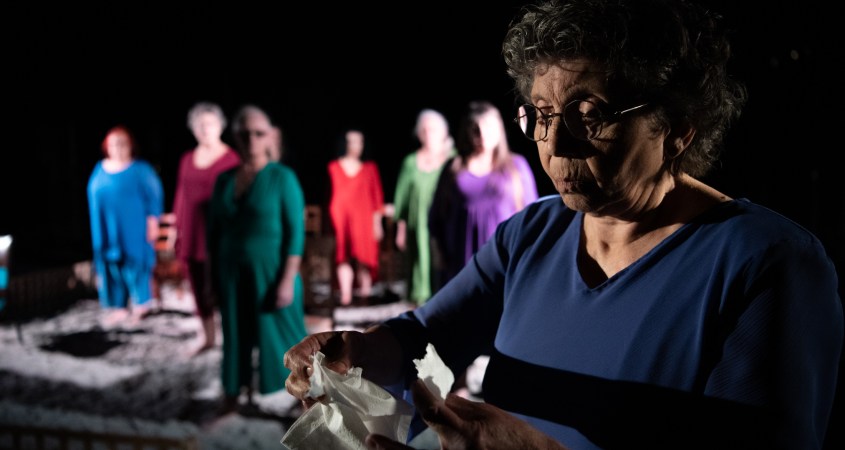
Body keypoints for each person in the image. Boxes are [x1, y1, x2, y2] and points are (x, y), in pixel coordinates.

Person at [283, 1, 844, 449]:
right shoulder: (532, 235)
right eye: (542, 114)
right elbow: (428, 335)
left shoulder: (764, 266)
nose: (553, 144)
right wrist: (356, 351)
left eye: (588, 116)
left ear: (677, 128)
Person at [207, 104, 308, 410]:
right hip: (231, 272)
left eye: (259, 133)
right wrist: (211, 279)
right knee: (234, 333)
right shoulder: (224, 179)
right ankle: (233, 394)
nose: (252, 139)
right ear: (235, 137)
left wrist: (287, 279)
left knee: (286, 337)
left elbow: (295, 233)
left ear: (269, 136)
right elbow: (213, 234)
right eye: (245, 134)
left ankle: (306, 398)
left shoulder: (282, 177)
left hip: (272, 272)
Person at [428, 100, 538, 290]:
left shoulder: (515, 167)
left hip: (504, 261)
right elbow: (436, 216)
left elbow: (533, 217)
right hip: (461, 262)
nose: (482, 134)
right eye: (475, 128)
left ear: (499, 129)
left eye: (488, 126)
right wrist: (439, 254)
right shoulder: (453, 168)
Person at [172, 101, 240, 355]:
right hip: (192, 231)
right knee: (197, 283)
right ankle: (207, 335)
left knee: (225, 286)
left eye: (209, 123)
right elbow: (181, 195)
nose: (204, 129)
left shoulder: (232, 159)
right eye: (199, 125)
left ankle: (232, 336)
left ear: (220, 126)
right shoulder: (187, 159)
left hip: (221, 234)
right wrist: (177, 227)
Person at [87, 125, 164, 328]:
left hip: (133, 227)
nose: (118, 148)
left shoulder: (140, 170)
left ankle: (141, 304)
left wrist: (153, 221)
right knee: (111, 264)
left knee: (136, 263)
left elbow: (153, 197)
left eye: (122, 143)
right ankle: (118, 306)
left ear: (130, 145)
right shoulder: (100, 169)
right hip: (106, 228)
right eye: (113, 144)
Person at [392, 109, 456, 306]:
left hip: (445, 224)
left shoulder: (453, 159)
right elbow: (402, 198)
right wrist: (401, 229)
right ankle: (421, 305)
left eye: (433, 129)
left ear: (443, 132)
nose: (429, 134)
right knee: (419, 262)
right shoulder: (411, 162)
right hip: (417, 225)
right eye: (424, 130)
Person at [327, 128, 385, 306]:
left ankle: (365, 294)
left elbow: (376, 197)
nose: (356, 146)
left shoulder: (370, 169)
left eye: (359, 141)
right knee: (342, 255)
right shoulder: (334, 167)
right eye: (352, 141)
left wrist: (377, 223)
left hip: (364, 219)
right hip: (341, 218)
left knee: (364, 257)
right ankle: (346, 295)